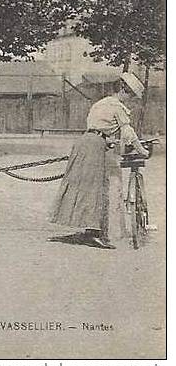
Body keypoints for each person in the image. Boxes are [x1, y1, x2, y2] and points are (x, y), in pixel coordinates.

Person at [50, 72, 150, 249]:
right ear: (122, 90)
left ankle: (88, 229)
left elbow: (96, 128)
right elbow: (127, 132)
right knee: (96, 188)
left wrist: (108, 140)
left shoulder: (100, 104)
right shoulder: (116, 106)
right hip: (95, 146)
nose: (130, 99)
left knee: (81, 185)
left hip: (84, 143)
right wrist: (142, 150)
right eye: (130, 95)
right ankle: (94, 233)